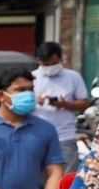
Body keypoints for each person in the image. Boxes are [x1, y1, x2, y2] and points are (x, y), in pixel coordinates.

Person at [32, 41, 89, 173]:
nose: (50, 67)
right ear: (39, 60)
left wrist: (65, 104)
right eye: (46, 65)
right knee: (38, 177)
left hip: (64, 136)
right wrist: (35, 101)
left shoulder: (73, 77)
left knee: (67, 176)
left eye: (54, 64)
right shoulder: (31, 78)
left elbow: (83, 103)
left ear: (61, 58)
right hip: (37, 137)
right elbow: (18, 105)